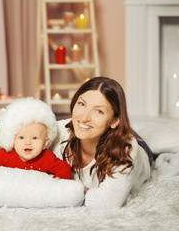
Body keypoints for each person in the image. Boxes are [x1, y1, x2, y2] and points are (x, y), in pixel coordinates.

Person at [51, 77, 151, 209]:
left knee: (130, 136)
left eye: (99, 111)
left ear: (115, 120)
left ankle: (125, 129)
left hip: (138, 150)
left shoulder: (125, 151)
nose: (84, 117)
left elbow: (107, 203)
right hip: (103, 130)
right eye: (81, 104)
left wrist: (66, 187)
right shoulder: (59, 131)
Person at [0, 97, 71, 179]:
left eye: (35, 138)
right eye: (21, 137)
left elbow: (65, 169)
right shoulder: (6, 155)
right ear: (13, 140)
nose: (28, 142)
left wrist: (54, 183)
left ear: (45, 143)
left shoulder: (47, 158)